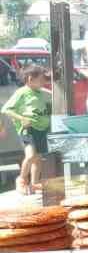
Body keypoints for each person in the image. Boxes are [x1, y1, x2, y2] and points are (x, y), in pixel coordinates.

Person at [3, 66, 52, 196]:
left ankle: (35, 183)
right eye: (41, 79)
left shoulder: (43, 92)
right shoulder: (21, 92)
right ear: (30, 79)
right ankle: (22, 179)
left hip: (42, 130)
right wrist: (22, 118)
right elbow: (6, 109)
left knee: (38, 158)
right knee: (30, 155)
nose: (43, 82)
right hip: (28, 129)